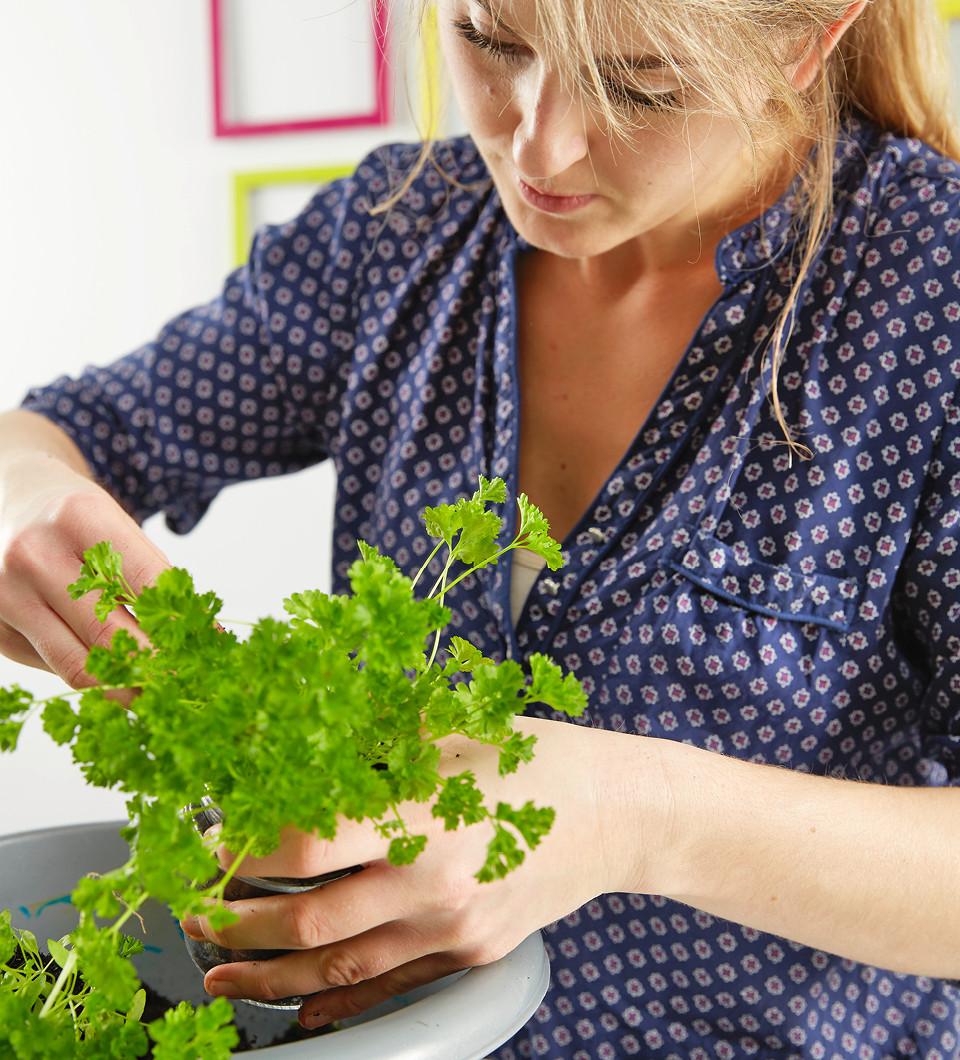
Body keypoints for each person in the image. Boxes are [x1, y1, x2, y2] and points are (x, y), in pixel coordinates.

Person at [2, 0, 959, 1055]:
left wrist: (631, 816)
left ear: (806, 36)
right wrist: (26, 499)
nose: (538, 143)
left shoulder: (931, 295)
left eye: (641, 87)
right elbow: (61, 434)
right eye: (491, 40)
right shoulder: (403, 231)